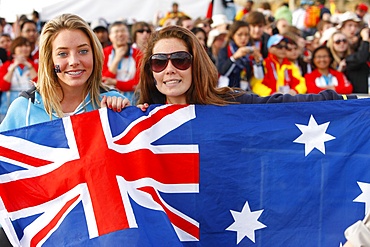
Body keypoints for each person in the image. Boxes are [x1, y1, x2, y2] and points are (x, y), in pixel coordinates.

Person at [135, 25, 355, 107]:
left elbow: (283, 104)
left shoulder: (229, 102)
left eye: (180, 59)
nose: (169, 68)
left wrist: (350, 103)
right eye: (159, 62)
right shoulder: (141, 117)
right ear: (150, 71)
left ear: (196, 64)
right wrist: (116, 111)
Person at [0, 14, 129, 132]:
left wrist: (128, 116)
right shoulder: (23, 108)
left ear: (95, 55)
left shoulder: (115, 104)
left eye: (83, 51)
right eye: (62, 54)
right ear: (49, 61)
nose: (74, 61)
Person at [102, 21, 142, 104]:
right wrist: (117, 59)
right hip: (108, 101)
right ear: (110, 36)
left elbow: (139, 83)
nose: (120, 34)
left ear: (128, 34)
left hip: (134, 101)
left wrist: (115, 82)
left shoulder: (138, 54)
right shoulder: (103, 53)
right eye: (116, 31)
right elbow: (103, 81)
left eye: (123, 31)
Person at [217, 21, 263, 91]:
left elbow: (259, 77)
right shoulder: (225, 50)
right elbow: (223, 72)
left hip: (245, 91)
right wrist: (234, 57)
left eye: (246, 35)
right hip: (229, 91)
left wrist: (257, 61)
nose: (243, 38)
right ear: (233, 35)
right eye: (240, 34)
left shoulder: (250, 50)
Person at [0, 37, 38, 121]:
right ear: (14, 48)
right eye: (20, 46)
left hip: (30, 107)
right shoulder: (6, 66)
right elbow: (3, 86)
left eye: (27, 46)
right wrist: (13, 67)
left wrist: (30, 66)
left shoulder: (35, 66)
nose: (24, 48)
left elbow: (39, 85)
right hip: (7, 107)